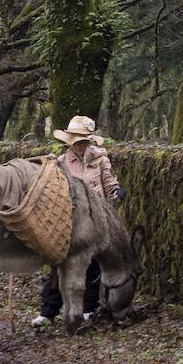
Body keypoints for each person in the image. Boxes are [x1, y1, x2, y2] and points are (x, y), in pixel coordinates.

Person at [31, 114, 120, 328]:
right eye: (76, 140)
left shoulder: (101, 160)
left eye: (83, 140)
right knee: (60, 264)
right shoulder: (61, 163)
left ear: (88, 140)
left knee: (92, 266)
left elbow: (109, 185)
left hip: (95, 220)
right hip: (68, 221)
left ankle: (89, 308)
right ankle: (48, 311)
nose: (79, 144)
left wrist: (116, 194)